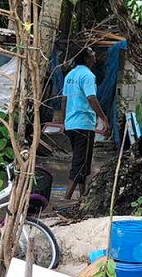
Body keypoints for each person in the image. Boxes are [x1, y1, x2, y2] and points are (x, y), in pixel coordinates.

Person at [48, 47, 109, 201]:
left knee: (83, 161)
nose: (95, 55)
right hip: (84, 124)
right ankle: (66, 198)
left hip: (71, 123)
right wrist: (103, 117)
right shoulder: (88, 75)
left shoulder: (70, 75)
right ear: (88, 58)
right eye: (92, 53)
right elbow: (91, 98)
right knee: (80, 163)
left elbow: (64, 100)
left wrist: (63, 122)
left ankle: (83, 195)